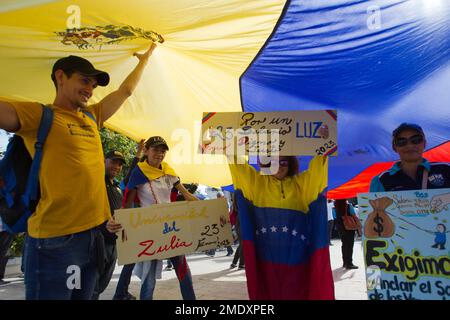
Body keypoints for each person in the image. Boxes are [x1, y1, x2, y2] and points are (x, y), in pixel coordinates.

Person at [0, 44, 156, 299]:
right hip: (54, 242)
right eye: (84, 80)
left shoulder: (93, 116)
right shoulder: (39, 115)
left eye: (94, 85)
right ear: (60, 77)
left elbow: (126, 91)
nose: (90, 90)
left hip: (94, 238)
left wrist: (145, 60)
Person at [225, 125, 334, 300]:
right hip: (266, 261)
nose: (279, 166)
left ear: (290, 163)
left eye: (283, 161)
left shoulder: (301, 184)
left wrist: (323, 142)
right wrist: (231, 145)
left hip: (297, 260)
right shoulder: (257, 184)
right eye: (273, 161)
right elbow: (239, 168)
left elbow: (318, 171)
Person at [107, 136, 197, 300]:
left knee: (183, 270)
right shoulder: (138, 172)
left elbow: (186, 194)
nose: (160, 154)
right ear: (146, 151)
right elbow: (127, 202)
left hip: (171, 228)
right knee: (149, 276)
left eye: (163, 151)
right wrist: (119, 220)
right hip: (149, 230)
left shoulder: (168, 170)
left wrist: (208, 209)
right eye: (156, 150)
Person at [370, 123, 450, 192]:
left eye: (416, 140)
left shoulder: (446, 169)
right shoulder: (381, 180)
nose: (409, 145)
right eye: (401, 142)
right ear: (394, 148)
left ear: (424, 143)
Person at [91, 150, 126, 300]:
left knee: (100, 285)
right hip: (97, 242)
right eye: (113, 162)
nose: (116, 167)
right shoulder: (97, 181)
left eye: (119, 164)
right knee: (90, 286)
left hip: (114, 243)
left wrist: (138, 155)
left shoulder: (117, 187)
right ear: (103, 161)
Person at [333, 199, 358, 270]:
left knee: (344, 244)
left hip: (340, 228)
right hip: (349, 227)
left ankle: (344, 262)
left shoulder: (335, 206)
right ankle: (349, 263)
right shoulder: (348, 206)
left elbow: (335, 217)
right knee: (350, 245)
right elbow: (354, 215)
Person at [229, 195, 244, 270]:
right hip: (240, 223)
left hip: (237, 224)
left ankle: (234, 263)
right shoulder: (239, 204)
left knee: (241, 245)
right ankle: (241, 264)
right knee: (242, 245)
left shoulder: (234, 204)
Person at [0, 217, 14, 286]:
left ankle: (0, 277)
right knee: (3, 253)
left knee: (4, 253)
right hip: (7, 227)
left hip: (7, 228)